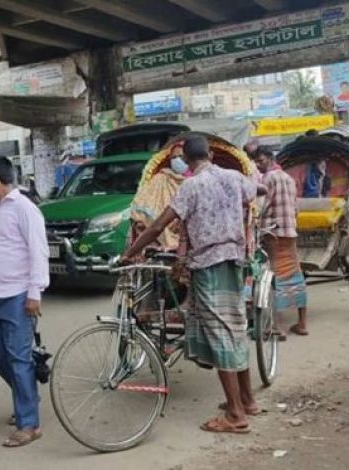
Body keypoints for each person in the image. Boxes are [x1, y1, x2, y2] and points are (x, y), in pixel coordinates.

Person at [121, 134, 259, 434]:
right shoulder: (234, 177)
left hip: (208, 266)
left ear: (188, 159)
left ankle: (236, 415)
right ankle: (247, 400)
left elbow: (158, 225)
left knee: (220, 333)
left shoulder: (191, 186)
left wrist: (128, 253)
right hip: (234, 262)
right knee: (234, 326)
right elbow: (257, 189)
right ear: (210, 153)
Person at [0, 156, 49, 448]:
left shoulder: (25, 209)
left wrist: (34, 292)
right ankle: (26, 394)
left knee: (18, 357)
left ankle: (29, 423)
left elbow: (38, 251)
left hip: (18, 296)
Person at [254, 147, 308, 337]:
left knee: (272, 274)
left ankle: (277, 327)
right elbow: (295, 207)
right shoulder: (289, 178)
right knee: (295, 273)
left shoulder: (267, 179)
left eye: (260, 161)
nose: (258, 165)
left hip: (272, 232)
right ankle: (302, 323)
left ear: (269, 159)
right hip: (290, 231)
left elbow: (260, 208)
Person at [130, 144, 189, 251]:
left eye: (181, 156)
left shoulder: (197, 180)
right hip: (160, 233)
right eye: (174, 158)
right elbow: (143, 204)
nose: (178, 160)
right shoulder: (160, 178)